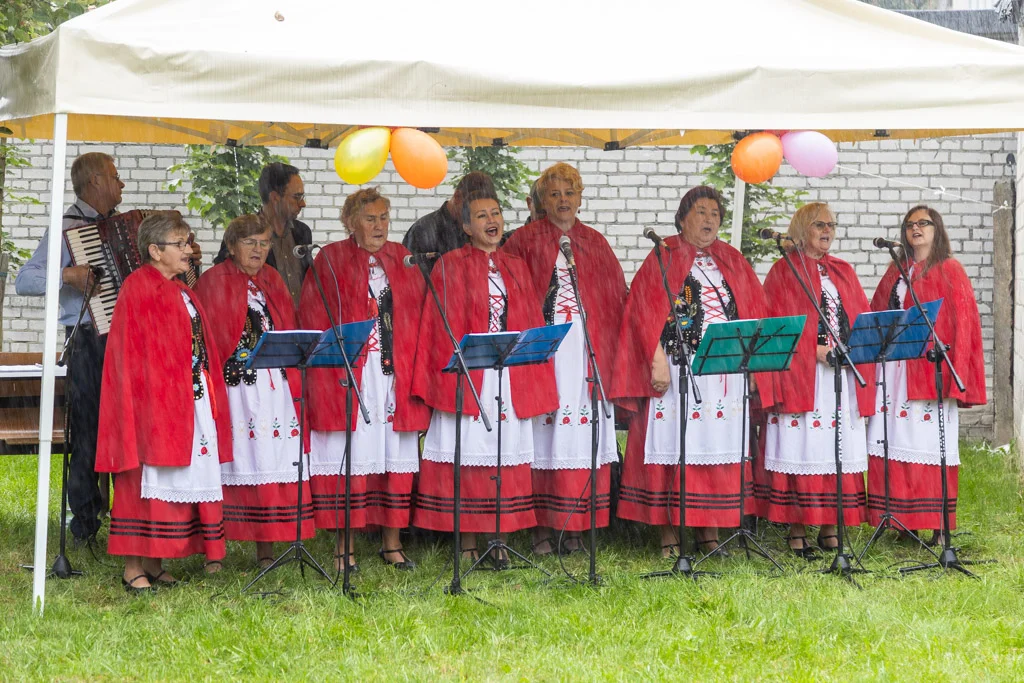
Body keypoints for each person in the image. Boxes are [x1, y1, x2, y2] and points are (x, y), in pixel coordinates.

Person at [610, 186, 775, 558]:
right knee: (675, 448)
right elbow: (641, 311)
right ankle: (669, 536)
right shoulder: (664, 255)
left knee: (716, 449)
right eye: (701, 212)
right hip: (677, 368)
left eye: (715, 213)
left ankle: (710, 535)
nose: (709, 219)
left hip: (726, 372)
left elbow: (753, 311)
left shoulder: (731, 258)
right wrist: (655, 359)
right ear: (682, 218)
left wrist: (754, 365)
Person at [412, 191, 557, 566]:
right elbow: (438, 326)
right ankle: (468, 543)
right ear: (464, 226)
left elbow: (528, 319)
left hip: (508, 377)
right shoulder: (450, 264)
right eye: (481, 216)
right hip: (470, 376)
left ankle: (499, 541)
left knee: (503, 458)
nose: (491, 220)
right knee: (470, 459)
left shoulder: (515, 265)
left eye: (495, 213)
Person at [95, 211, 231, 591]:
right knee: (142, 482)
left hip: (186, 399)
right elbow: (130, 355)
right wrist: (149, 403)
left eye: (188, 241)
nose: (189, 249)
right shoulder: (138, 288)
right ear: (155, 250)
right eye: (180, 243)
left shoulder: (180, 288)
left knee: (171, 482)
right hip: (151, 406)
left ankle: (154, 562)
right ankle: (132, 568)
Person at [299, 188, 429, 572]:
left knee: (395, 457)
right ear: (350, 222)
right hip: (349, 373)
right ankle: (345, 548)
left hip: (393, 373)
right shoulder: (332, 259)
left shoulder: (401, 259)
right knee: (349, 459)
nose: (379, 225)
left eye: (384, 217)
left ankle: (392, 544)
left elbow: (420, 314)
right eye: (370, 218)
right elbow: (313, 315)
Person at [502, 163, 626, 556]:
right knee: (545, 437)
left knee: (580, 437)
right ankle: (541, 529)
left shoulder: (594, 241)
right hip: (546, 353)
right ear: (541, 201)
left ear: (580, 197)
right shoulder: (522, 241)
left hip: (588, 352)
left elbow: (615, 298)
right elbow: (509, 295)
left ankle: (577, 528)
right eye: (553, 194)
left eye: (569, 193)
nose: (562, 201)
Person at [14, 152, 128, 543]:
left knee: (123, 426)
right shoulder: (65, 228)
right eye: (115, 176)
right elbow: (25, 280)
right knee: (87, 428)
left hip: (124, 339)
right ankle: (83, 520)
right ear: (95, 181)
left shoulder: (121, 227)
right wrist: (67, 274)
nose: (122, 184)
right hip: (85, 339)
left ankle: (125, 511)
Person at [194, 214, 314, 568]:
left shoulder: (272, 280)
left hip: (275, 390)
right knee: (231, 466)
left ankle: (268, 549)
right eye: (250, 243)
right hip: (236, 392)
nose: (259, 250)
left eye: (264, 243)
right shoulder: (213, 282)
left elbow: (287, 327)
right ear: (232, 247)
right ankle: (215, 556)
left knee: (270, 461)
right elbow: (207, 340)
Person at [865, 205, 986, 545]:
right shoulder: (896, 270)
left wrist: (956, 373)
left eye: (923, 223)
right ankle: (902, 521)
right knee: (893, 441)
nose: (915, 229)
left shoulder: (950, 269)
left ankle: (935, 522)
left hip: (930, 371)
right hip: (894, 373)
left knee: (928, 444)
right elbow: (877, 313)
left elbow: (965, 326)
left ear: (937, 229)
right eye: (910, 224)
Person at [758, 203, 873, 556]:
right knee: (802, 448)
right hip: (801, 377)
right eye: (819, 224)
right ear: (802, 228)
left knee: (834, 449)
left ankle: (829, 528)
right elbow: (774, 325)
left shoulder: (843, 271)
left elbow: (861, 318)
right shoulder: (783, 271)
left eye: (832, 224)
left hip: (840, 377)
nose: (827, 230)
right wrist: (813, 349)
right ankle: (796, 530)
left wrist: (854, 348)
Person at [214, 162, 312, 306]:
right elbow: (223, 277)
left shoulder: (302, 232)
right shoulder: (243, 232)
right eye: (297, 197)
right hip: (262, 322)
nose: (303, 203)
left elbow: (308, 281)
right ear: (275, 198)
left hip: (299, 324)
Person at [402, 171, 496, 262]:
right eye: (472, 209)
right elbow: (411, 275)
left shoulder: (479, 231)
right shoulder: (422, 231)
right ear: (458, 197)